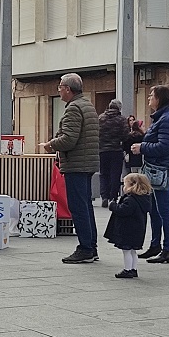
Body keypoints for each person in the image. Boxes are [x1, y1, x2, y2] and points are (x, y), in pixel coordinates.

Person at [41, 73, 100, 264]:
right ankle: (91, 246)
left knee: (78, 207)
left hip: (77, 164)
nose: (58, 90)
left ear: (68, 88)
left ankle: (85, 248)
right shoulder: (87, 105)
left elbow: (69, 139)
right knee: (86, 206)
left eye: (60, 87)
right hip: (86, 163)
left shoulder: (74, 108)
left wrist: (51, 144)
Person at [132, 85, 169, 264]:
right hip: (157, 168)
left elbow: (165, 147)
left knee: (163, 210)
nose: (149, 99)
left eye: (151, 96)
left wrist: (142, 147)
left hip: (163, 168)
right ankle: (156, 245)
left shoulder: (168, 119)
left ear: (160, 99)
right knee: (154, 209)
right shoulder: (162, 117)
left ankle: (168, 249)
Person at [104, 173, 152, 279]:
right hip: (137, 230)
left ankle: (127, 269)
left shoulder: (131, 200)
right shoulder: (143, 199)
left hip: (127, 230)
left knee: (126, 251)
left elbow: (122, 210)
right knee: (133, 251)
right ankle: (133, 269)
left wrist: (113, 206)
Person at [98, 99, 130, 207]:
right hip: (116, 150)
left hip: (102, 150)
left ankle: (104, 196)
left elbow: (97, 133)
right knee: (115, 175)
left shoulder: (101, 118)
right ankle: (113, 197)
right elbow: (126, 135)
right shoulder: (121, 119)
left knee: (103, 174)